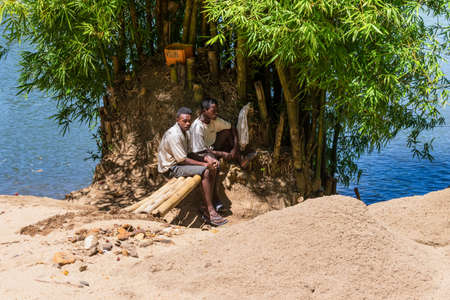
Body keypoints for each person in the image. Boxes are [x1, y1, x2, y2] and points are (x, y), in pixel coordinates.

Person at [157, 107, 227, 226]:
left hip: (180, 162)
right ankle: (209, 211)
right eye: (184, 121)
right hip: (171, 168)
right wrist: (204, 164)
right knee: (205, 171)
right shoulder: (174, 134)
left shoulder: (186, 132)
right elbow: (182, 160)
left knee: (214, 165)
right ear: (177, 120)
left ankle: (211, 202)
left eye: (189, 121)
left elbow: (189, 153)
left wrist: (206, 158)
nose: (188, 123)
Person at [190, 98, 256, 168]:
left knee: (227, 132)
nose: (216, 113)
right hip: (202, 154)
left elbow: (232, 127)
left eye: (217, 110)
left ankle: (239, 158)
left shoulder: (214, 120)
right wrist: (222, 154)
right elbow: (200, 152)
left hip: (213, 146)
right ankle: (232, 159)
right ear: (204, 111)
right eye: (213, 111)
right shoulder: (197, 127)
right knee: (214, 164)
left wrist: (235, 147)